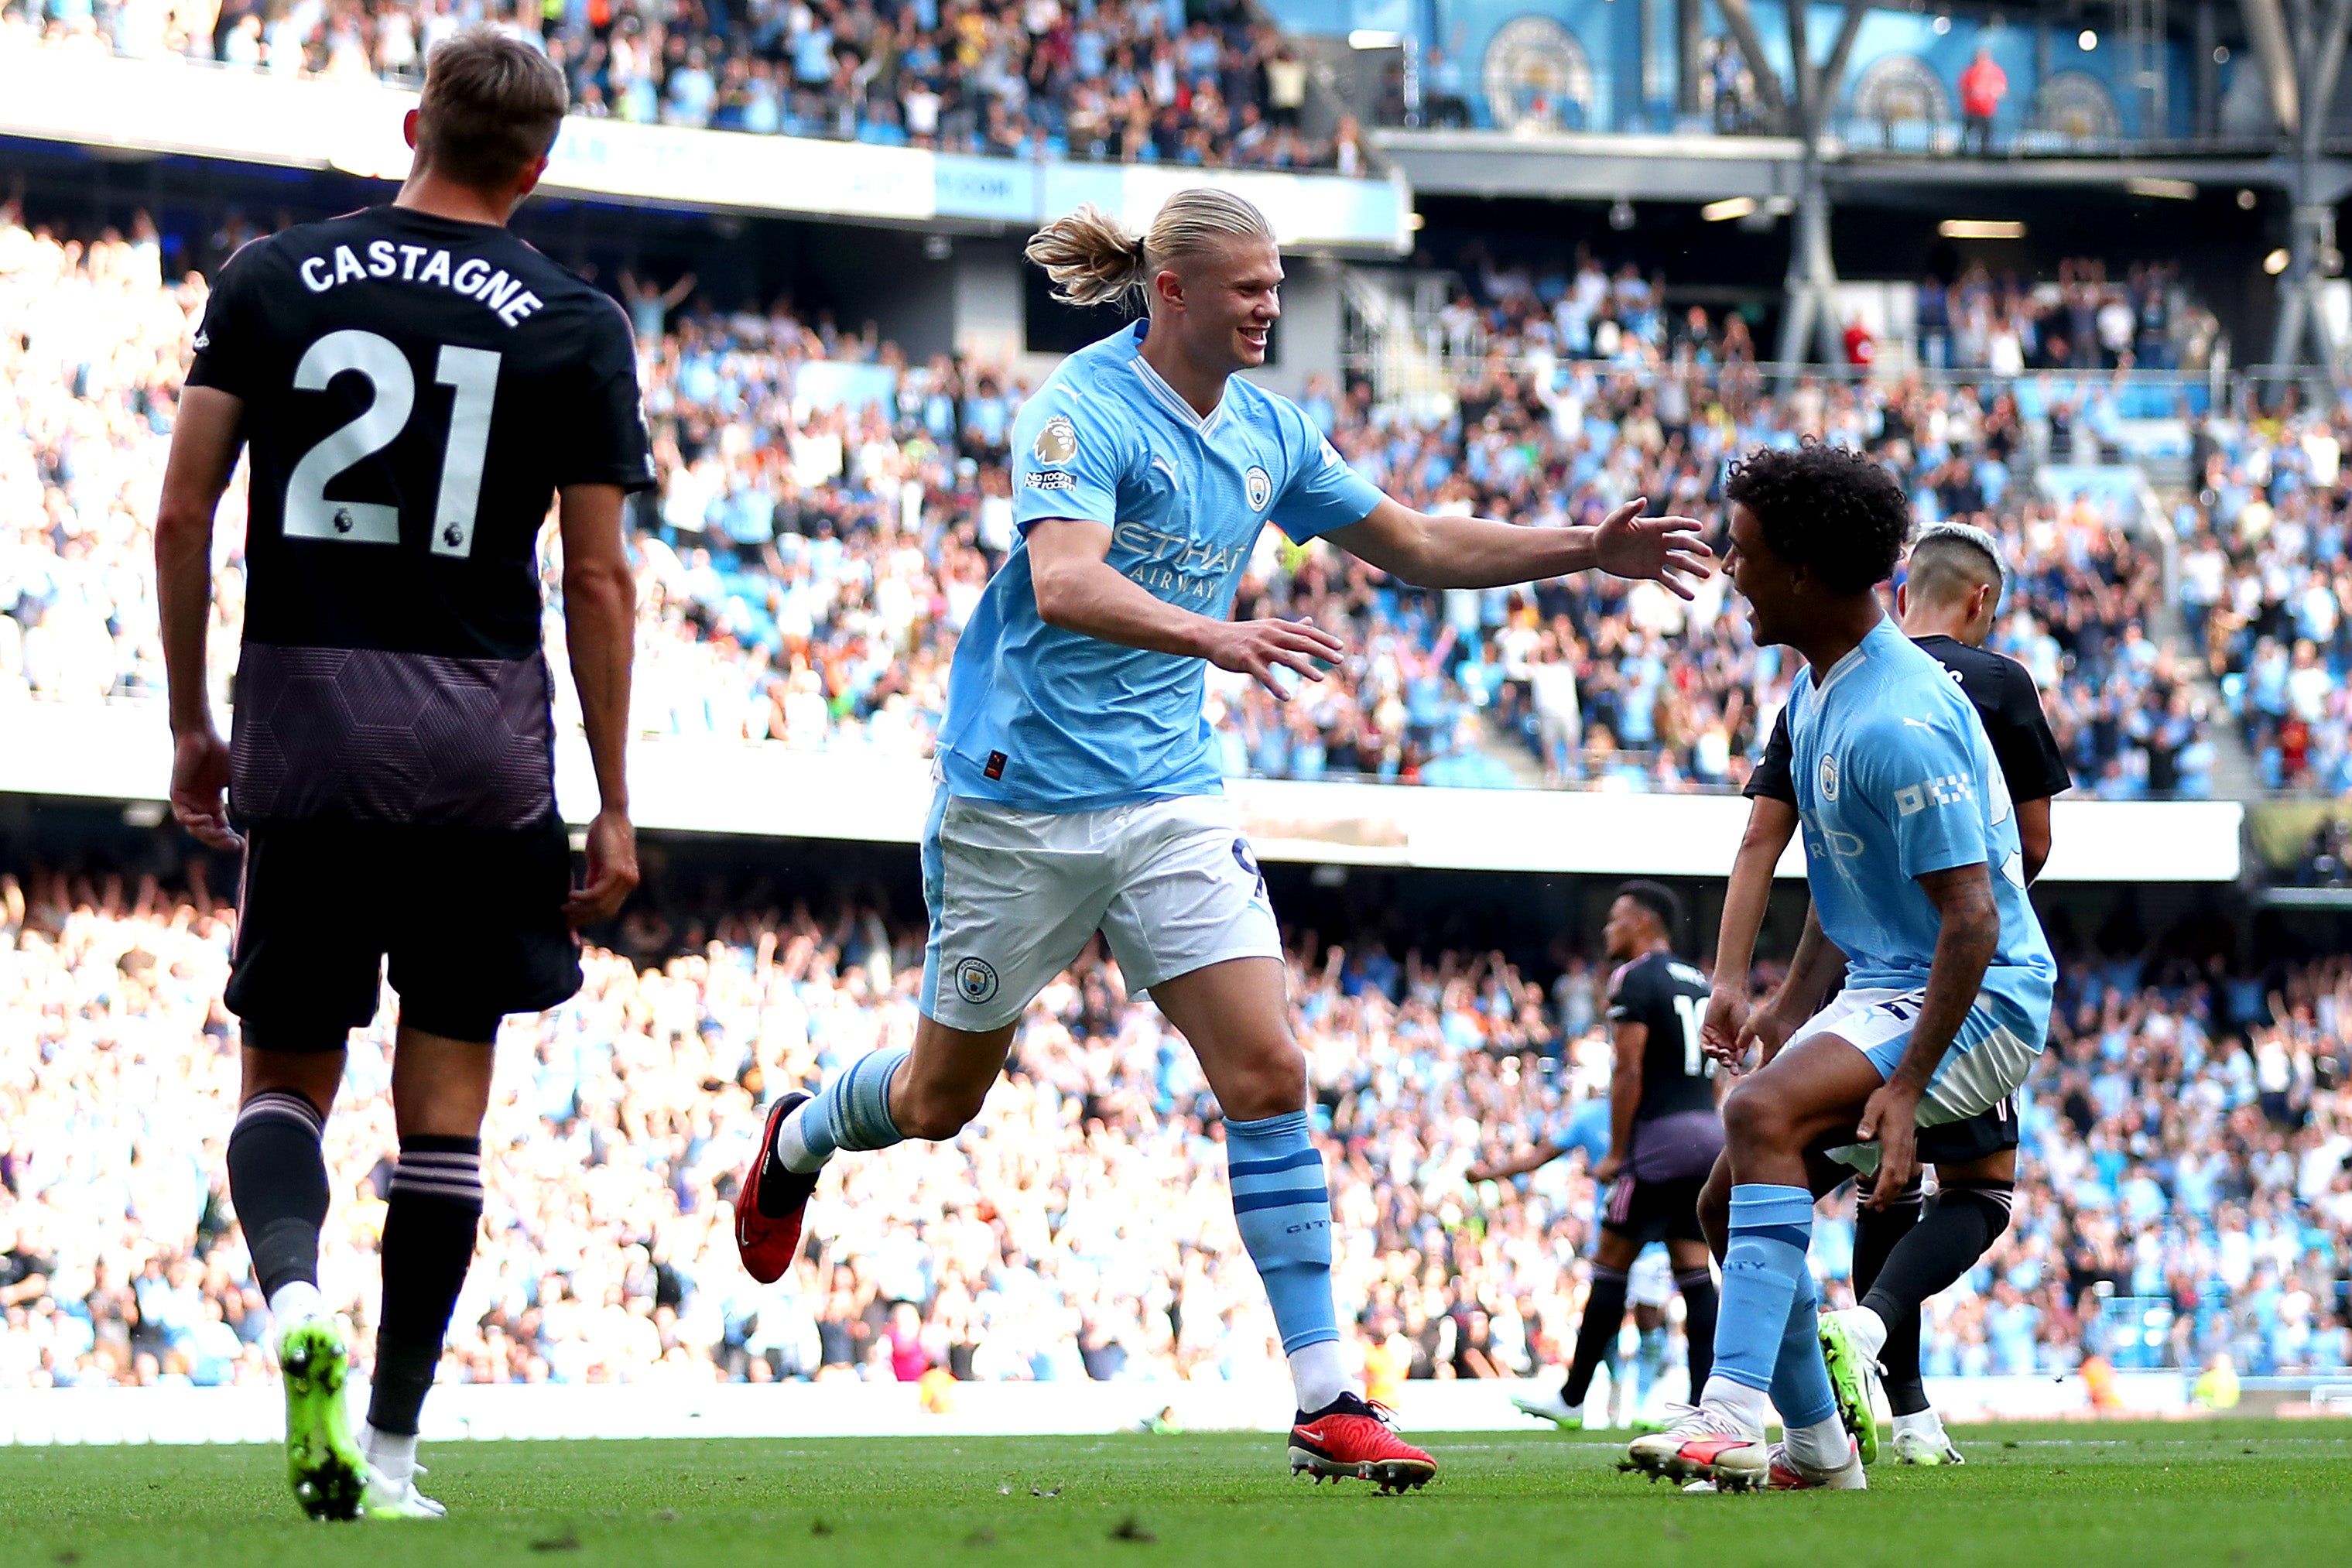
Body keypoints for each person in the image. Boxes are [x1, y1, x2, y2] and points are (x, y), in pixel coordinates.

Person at [731, 188, 1711, 1492]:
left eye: (1276, 283)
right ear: (1172, 292)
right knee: (936, 1101)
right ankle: (801, 1133)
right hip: (1017, 799)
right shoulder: (1078, 408)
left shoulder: (1268, 428)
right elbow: (1066, 580)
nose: (1270, 306)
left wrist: (1580, 548)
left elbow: (1410, 542)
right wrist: (1213, 635)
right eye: (1247, 286)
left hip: (1167, 798)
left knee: (1269, 1073)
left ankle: (1323, 1396)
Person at [154, 27, 649, 1520]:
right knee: (443, 1114)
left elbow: (182, 516)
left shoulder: (270, 276)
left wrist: (192, 721)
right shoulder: (573, 321)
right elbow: (599, 580)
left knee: (285, 1079)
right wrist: (614, 796)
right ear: (540, 166)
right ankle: (387, 1452)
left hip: (306, 728)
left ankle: (294, 1296)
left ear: (414, 120)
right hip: (479, 753)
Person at [1622, 444, 2054, 1492]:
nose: (1730, 569)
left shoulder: (1894, 720)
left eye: (1743, 552)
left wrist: (1906, 1090)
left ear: (1805, 572)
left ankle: (1725, 1411)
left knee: (1757, 1115)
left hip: (1982, 993)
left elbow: (1972, 916)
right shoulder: (1822, 693)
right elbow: (1846, 886)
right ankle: (1817, 1450)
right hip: (1890, 981)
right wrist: (1784, 1004)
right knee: (1721, 1208)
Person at [1472, 882, 1720, 1433]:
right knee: (1693, 1270)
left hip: (1656, 1142)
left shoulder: (1633, 978)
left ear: (1641, 922)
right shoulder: (1700, 980)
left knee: (1610, 1262)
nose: (1607, 931)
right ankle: (1708, 1407)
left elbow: (1628, 1068)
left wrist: (1622, 1152)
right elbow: (1718, 1065)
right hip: (1707, 1136)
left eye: (1614, 921)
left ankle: (1573, 1394)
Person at [1958, 47, 2005, 156]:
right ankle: (1963, 153)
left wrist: (1995, 91)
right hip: (1971, 110)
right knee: (1967, 134)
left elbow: (2001, 89)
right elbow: (1963, 89)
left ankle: (1985, 154)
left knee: (1986, 136)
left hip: (1987, 110)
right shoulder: (1970, 72)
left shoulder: (1995, 71)